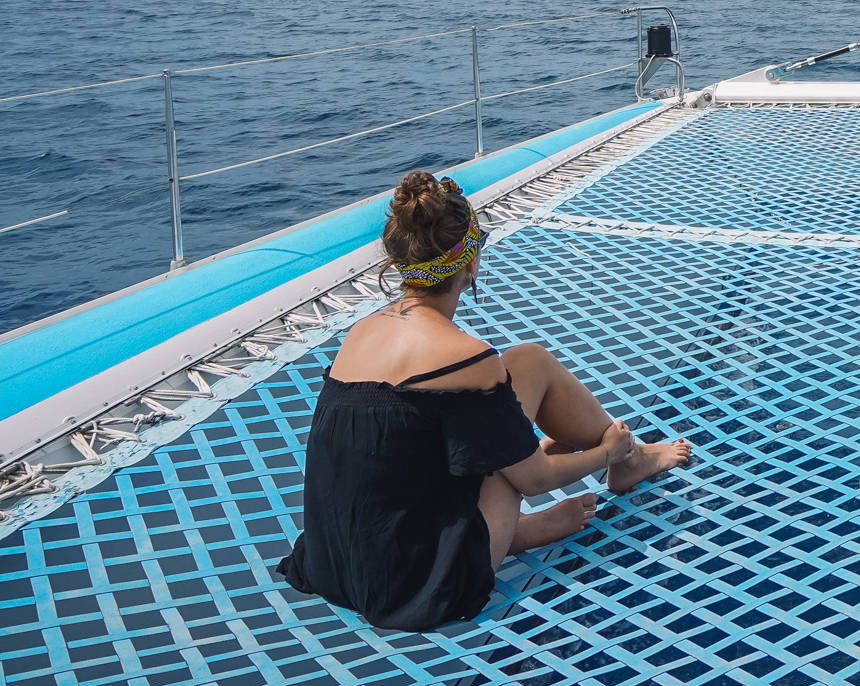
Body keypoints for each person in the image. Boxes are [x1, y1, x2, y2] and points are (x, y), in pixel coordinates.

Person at [276, 171, 689, 631]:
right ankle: (625, 461)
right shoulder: (465, 358)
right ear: (471, 264)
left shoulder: (361, 333)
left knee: (525, 364)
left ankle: (516, 528)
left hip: (335, 563)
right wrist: (604, 452)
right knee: (523, 419)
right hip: (422, 585)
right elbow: (535, 480)